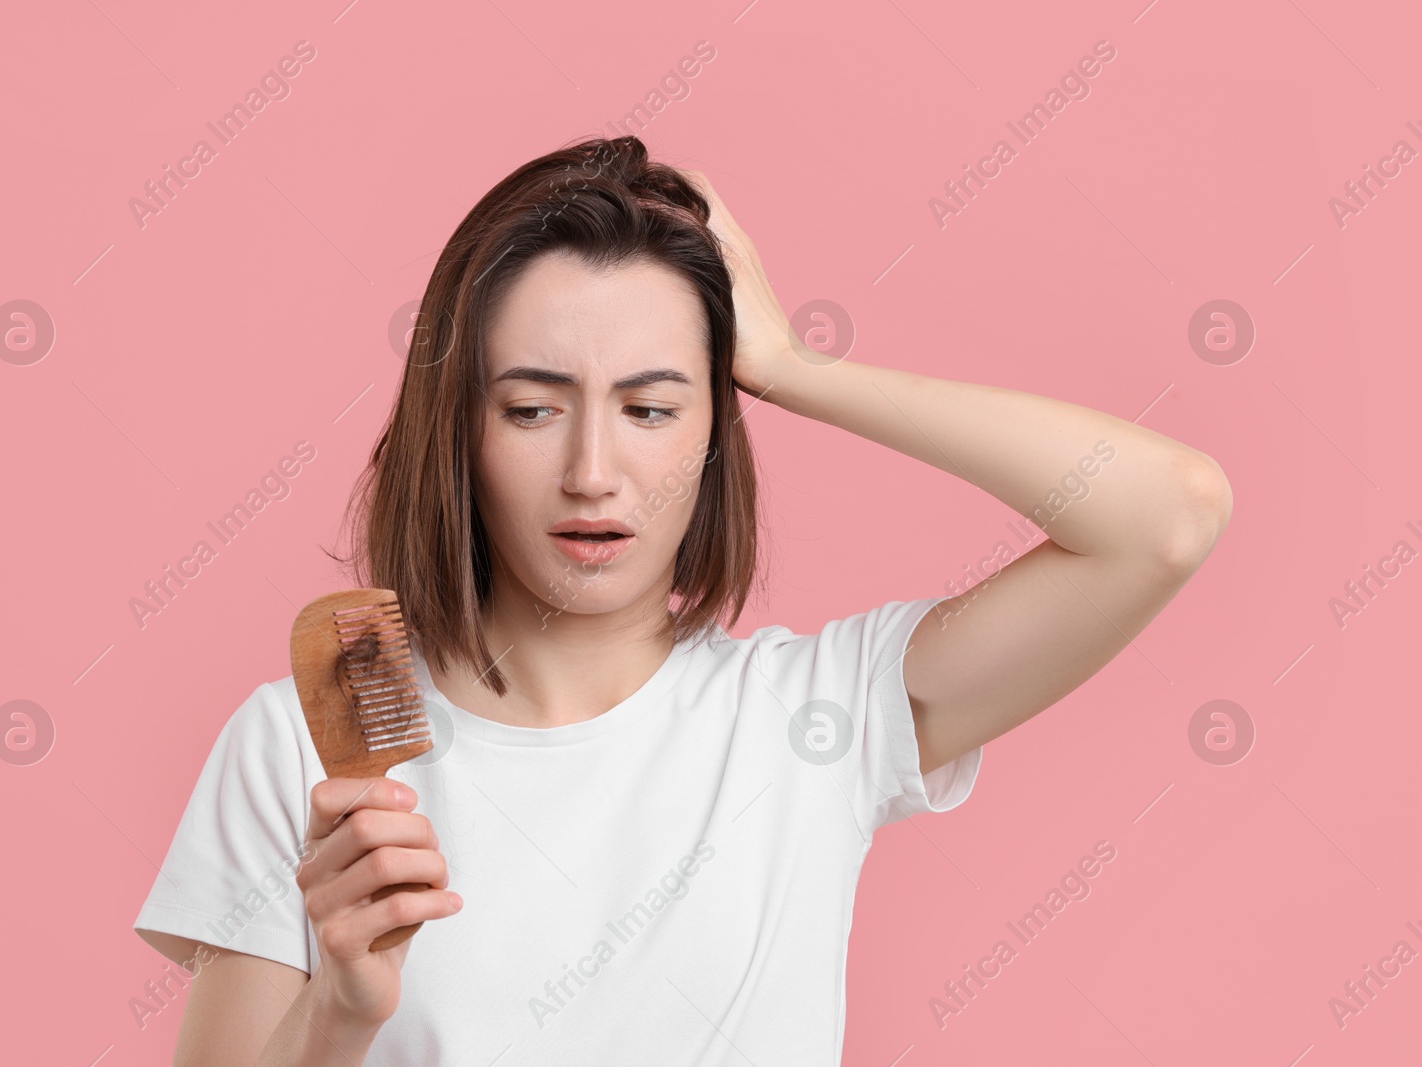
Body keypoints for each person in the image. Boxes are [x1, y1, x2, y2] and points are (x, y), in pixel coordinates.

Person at [131, 135, 1231, 1065]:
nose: (592, 471)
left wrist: (799, 367)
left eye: (651, 407)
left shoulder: (816, 716)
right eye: (530, 408)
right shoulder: (300, 747)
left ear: (717, 430)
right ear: (456, 428)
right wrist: (336, 1011)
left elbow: (1164, 514)